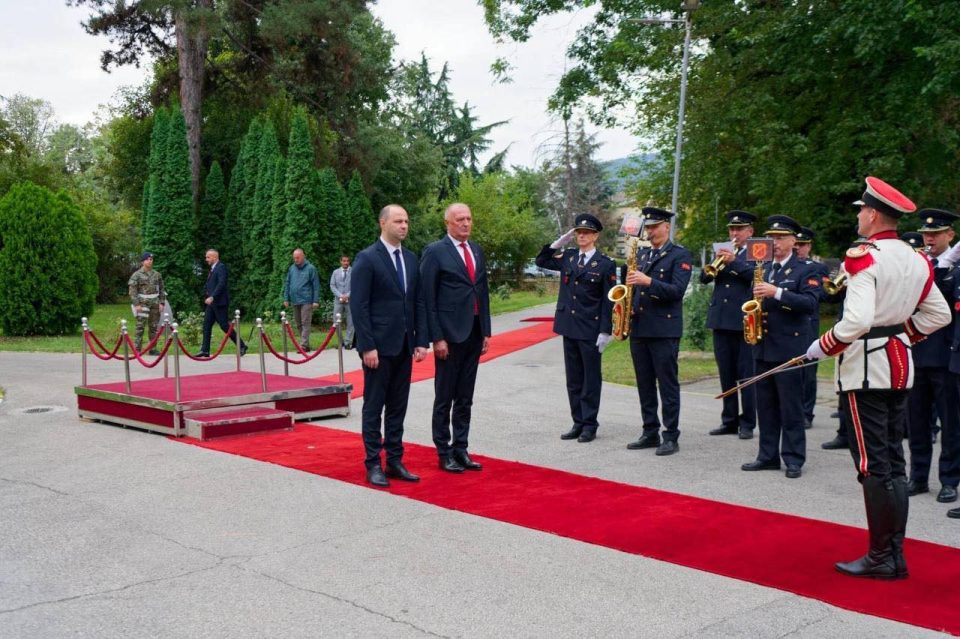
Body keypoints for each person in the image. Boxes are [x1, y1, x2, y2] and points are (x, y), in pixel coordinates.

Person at [805, 177, 950, 579]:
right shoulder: (914, 257)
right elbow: (940, 315)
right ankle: (891, 554)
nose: (857, 216)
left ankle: (883, 556)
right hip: (899, 364)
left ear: (871, 214)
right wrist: (903, 337)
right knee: (892, 463)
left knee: (873, 465)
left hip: (866, 368)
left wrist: (823, 346)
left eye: (860, 210)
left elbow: (857, 321)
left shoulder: (863, 256)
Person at [350, 204, 429, 487]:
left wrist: (421, 340)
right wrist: (367, 346)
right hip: (378, 349)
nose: (404, 226)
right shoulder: (367, 258)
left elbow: (417, 301)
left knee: (398, 406)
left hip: (405, 346)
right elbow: (359, 306)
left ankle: (395, 460)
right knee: (374, 407)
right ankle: (373, 463)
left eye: (406, 221)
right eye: (398, 221)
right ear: (383, 223)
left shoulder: (410, 258)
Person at [740, 215, 819, 479]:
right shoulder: (764, 268)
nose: (775, 242)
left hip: (789, 346)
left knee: (790, 406)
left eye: (780, 238)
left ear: (793, 241)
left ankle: (794, 458)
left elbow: (809, 304)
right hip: (763, 345)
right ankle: (767, 455)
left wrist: (777, 293)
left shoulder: (806, 268)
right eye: (772, 237)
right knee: (766, 405)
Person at [421, 203, 492, 472]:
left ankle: (461, 448)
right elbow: (428, 298)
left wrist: (485, 330)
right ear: (447, 223)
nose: (465, 223)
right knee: (445, 396)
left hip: (473, 333)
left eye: (469, 219)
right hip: (449, 336)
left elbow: (482, 291)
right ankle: (443, 451)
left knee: (465, 396)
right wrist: (436, 338)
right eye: (460, 219)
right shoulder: (435, 252)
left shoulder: (475, 250)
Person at [535, 213, 616, 444]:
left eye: (587, 233)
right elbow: (541, 261)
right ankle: (577, 422)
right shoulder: (569, 257)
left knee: (590, 379)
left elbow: (609, 299)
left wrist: (605, 330)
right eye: (579, 232)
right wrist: (557, 244)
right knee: (573, 379)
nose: (582, 236)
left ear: (595, 236)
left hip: (590, 329)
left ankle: (590, 424)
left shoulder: (605, 263)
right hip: (569, 326)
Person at [624, 207, 693, 456]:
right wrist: (627, 305)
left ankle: (671, 435)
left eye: (654, 227)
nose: (650, 231)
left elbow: (677, 291)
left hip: (664, 329)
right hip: (640, 327)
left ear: (667, 227)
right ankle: (649, 431)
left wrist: (648, 281)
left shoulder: (680, 255)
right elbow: (631, 289)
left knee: (667, 384)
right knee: (644, 384)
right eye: (648, 227)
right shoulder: (641, 254)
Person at [906, 209, 959, 504]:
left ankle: (949, 480)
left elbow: (943, 302)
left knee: (951, 423)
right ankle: (918, 476)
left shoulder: (955, 265)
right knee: (917, 420)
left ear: (950, 235)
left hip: (946, 354)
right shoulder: (917, 264)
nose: (929, 239)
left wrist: (938, 267)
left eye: (936, 234)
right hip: (918, 350)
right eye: (926, 234)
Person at [700, 210, 758, 440]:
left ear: (750, 232)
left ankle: (748, 422)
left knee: (746, 375)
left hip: (744, 320)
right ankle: (729, 420)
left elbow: (758, 277)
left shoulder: (757, 251)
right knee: (726, 374)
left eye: (739, 229)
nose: (734, 233)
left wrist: (735, 262)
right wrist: (714, 264)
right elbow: (704, 278)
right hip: (721, 319)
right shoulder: (722, 251)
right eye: (732, 229)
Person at [795, 227, 830, 430]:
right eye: (796, 244)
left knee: (808, 368)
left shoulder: (817, 268)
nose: (799, 248)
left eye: (802, 245)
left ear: (809, 246)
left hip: (809, 321)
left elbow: (825, 296)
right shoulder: (786, 266)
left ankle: (807, 412)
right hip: (789, 323)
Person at [197, 249, 247, 358]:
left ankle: (242, 346)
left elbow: (221, 284)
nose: (206, 260)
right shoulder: (213, 269)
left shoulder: (221, 268)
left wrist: (213, 296)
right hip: (212, 304)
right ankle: (205, 350)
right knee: (206, 325)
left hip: (219, 303)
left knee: (224, 326)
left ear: (214, 257)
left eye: (208, 257)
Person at [282, 248, 321, 351]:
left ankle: (303, 346)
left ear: (303, 256)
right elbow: (287, 283)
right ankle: (305, 345)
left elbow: (316, 285)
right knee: (299, 323)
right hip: (295, 300)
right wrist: (286, 298)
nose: (296, 260)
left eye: (298, 257)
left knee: (305, 322)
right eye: (294, 258)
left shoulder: (311, 268)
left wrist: (315, 301)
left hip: (307, 300)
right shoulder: (292, 268)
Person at [128, 251, 166, 355]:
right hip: (142, 303)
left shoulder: (157, 274)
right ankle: (137, 349)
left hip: (155, 303)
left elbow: (162, 289)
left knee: (153, 327)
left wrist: (162, 303)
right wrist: (136, 304)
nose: (150, 261)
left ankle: (152, 349)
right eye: (148, 259)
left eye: (151, 259)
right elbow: (132, 291)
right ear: (142, 261)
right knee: (140, 326)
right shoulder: (137, 275)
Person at [329, 254, 355, 350]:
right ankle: (341, 342)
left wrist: (347, 295)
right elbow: (332, 285)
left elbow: (356, 285)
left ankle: (348, 342)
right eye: (344, 261)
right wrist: (340, 295)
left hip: (350, 300)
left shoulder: (354, 271)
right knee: (336, 322)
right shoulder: (335, 272)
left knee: (351, 322)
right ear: (341, 262)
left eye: (347, 261)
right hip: (338, 301)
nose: (346, 263)